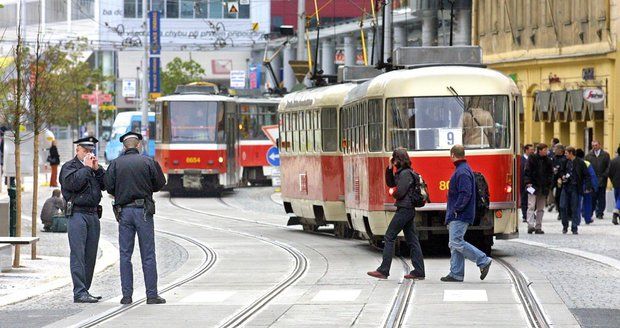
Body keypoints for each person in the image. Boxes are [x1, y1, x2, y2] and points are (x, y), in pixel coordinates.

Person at [105, 131, 167, 305]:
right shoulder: (148, 162)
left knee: (125, 255)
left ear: (124, 146)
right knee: (148, 254)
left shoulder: (115, 164)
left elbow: (109, 187)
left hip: (124, 212)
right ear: (138, 145)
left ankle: (126, 296)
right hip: (144, 212)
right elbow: (160, 184)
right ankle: (152, 295)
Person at [60, 136, 106, 303]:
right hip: (77, 214)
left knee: (90, 255)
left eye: (91, 150)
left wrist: (98, 169)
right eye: (85, 150)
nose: (88, 153)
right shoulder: (68, 167)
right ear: (77, 150)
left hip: (93, 214)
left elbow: (106, 185)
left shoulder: (92, 167)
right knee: (78, 254)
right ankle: (79, 291)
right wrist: (87, 169)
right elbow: (72, 185)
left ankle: (85, 289)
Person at [367, 148, 426, 280]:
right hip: (407, 209)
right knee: (412, 240)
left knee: (389, 236)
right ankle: (419, 271)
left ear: (397, 160)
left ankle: (384, 270)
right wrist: (389, 168)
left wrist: (393, 192)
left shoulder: (405, 174)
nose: (393, 162)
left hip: (405, 209)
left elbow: (400, 192)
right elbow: (390, 182)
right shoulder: (402, 173)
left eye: (393, 160)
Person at [441, 145, 492, 282]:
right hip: (460, 213)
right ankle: (456, 273)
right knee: (455, 244)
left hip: (460, 214)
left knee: (456, 241)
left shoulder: (462, 171)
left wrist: (456, 209)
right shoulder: (463, 169)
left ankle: (483, 260)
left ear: (452, 155)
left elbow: (465, 193)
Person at [523, 143, 554, 234]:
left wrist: (549, 185)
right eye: (545, 150)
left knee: (540, 208)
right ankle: (530, 225)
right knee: (531, 206)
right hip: (532, 186)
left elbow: (550, 174)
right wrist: (528, 183)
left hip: (543, 187)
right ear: (540, 150)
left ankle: (538, 227)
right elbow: (527, 171)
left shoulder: (548, 160)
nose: (546, 151)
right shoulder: (532, 158)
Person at [561, 147, 592, 234]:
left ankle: (574, 227)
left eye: (566, 153)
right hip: (565, 187)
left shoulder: (580, 163)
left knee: (575, 207)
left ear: (571, 153)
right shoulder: (564, 162)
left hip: (575, 187)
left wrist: (587, 187)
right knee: (563, 206)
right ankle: (565, 225)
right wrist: (562, 176)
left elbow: (587, 175)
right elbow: (561, 172)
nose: (565, 154)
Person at [585, 140, 610, 220]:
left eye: (596, 145)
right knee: (593, 197)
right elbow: (586, 166)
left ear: (600, 145)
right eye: (593, 145)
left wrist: (605, 175)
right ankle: (591, 212)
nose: (594, 147)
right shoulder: (589, 155)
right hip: (592, 179)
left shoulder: (605, 155)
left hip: (602, 179)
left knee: (601, 197)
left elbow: (608, 166)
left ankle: (600, 213)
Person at [576, 149, 599, 224]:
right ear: (583, 156)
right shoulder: (587, 163)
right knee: (588, 202)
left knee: (577, 203)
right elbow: (592, 176)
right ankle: (587, 218)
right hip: (587, 186)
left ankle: (577, 220)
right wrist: (594, 187)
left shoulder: (573, 162)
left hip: (577, 186)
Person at [552, 144, 567, 220]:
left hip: (563, 180)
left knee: (563, 197)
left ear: (561, 150)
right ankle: (560, 212)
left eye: (556, 149)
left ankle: (563, 213)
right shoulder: (554, 158)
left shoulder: (565, 158)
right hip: (556, 181)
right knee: (557, 197)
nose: (554, 150)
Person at [520, 144, 534, 222]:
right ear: (526, 150)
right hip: (523, 182)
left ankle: (531, 213)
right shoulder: (521, 160)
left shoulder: (533, 159)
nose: (532, 151)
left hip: (532, 183)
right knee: (524, 199)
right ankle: (525, 215)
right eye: (531, 149)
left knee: (532, 199)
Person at [608, 146, 620, 225]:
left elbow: (609, 173)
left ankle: (617, 214)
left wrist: (613, 181)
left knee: (618, 199)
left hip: (616, 184)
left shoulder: (613, 161)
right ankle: (615, 213)